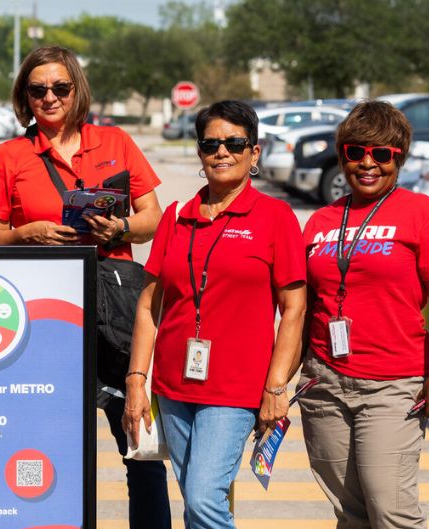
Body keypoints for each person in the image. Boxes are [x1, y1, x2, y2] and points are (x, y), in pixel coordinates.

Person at [0, 45, 168, 529]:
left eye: (60, 87)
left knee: (139, 446)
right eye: (37, 89)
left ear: (76, 90)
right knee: (48, 448)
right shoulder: (10, 155)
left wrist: (122, 230)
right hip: (43, 315)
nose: (49, 97)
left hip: (117, 307)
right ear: (25, 96)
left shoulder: (115, 142)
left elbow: (153, 218)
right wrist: (28, 234)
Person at [122, 100, 307, 529]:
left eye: (234, 143)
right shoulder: (176, 216)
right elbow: (150, 305)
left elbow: (294, 309)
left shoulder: (275, 218)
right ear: (200, 153)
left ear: (254, 153)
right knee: (196, 501)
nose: (222, 152)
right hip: (173, 386)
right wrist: (137, 381)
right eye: (211, 144)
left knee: (205, 500)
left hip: (236, 388)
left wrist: (277, 386)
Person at [297, 100, 429, 529]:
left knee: (391, 511)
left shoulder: (421, 214)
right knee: (350, 513)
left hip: (392, 383)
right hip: (324, 383)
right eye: (356, 152)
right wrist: (280, 382)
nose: (368, 164)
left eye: (382, 154)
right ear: (342, 156)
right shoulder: (320, 221)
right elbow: (303, 306)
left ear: (399, 159)